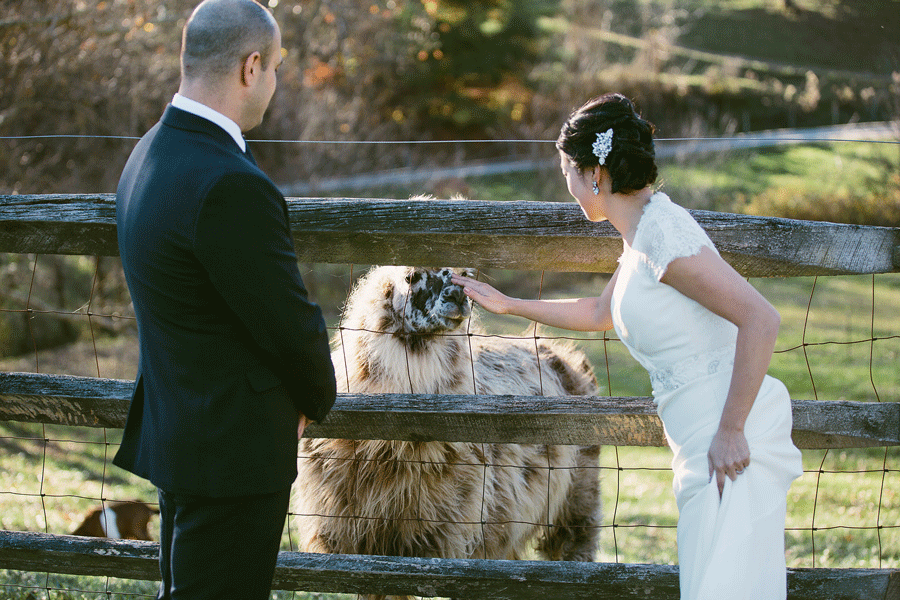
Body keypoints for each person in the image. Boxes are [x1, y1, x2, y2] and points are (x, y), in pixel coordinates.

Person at [452, 93, 803, 599]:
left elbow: (761, 320)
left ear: (593, 172)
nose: (567, 188)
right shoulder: (641, 232)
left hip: (728, 440)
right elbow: (599, 312)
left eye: (568, 173)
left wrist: (730, 430)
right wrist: (510, 304)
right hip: (697, 436)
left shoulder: (662, 235)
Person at [113, 1, 337, 598]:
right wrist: (316, 395)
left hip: (181, 435)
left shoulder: (146, 155)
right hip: (233, 455)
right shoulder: (230, 185)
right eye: (276, 68)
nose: (275, 82)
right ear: (251, 66)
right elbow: (288, 323)